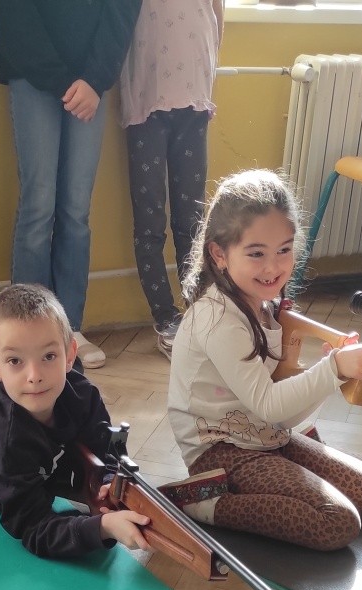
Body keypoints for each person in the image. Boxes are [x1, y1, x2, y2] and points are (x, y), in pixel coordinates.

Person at [168, 170, 362, 551]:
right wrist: (334, 369)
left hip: (266, 435)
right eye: (256, 253)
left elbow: (282, 416)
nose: (273, 267)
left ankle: (288, 478)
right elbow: (270, 406)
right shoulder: (218, 319)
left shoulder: (264, 304)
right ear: (219, 254)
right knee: (335, 521)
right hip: (221, 451)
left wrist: (327, 373)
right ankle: (198, 502)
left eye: (284, 250)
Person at [0, 283, 150, 558]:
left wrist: (109, 478)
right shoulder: (1, 444)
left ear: (70, 354)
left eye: (49, 356)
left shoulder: (82, 393)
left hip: (2, 386)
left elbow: (106, 450)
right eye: (15, 360)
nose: (35, 375)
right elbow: (34, 528)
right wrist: (101, 528)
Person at [0, 0, 142, 369]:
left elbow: (122, 9)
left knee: (75, 210)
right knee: (38, 206)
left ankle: (69, 328)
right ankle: (26, 330)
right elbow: (12, 11)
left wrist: (95, 79)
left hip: (92, 80)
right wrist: (62, 80)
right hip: (32, 72)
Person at [119, 0, 224, 359]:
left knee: (192, 222)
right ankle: (166, 318)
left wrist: (209, 69)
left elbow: (216, 12)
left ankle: (200, 312)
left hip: (194, 96)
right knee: (149, 222)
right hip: (146, 98)